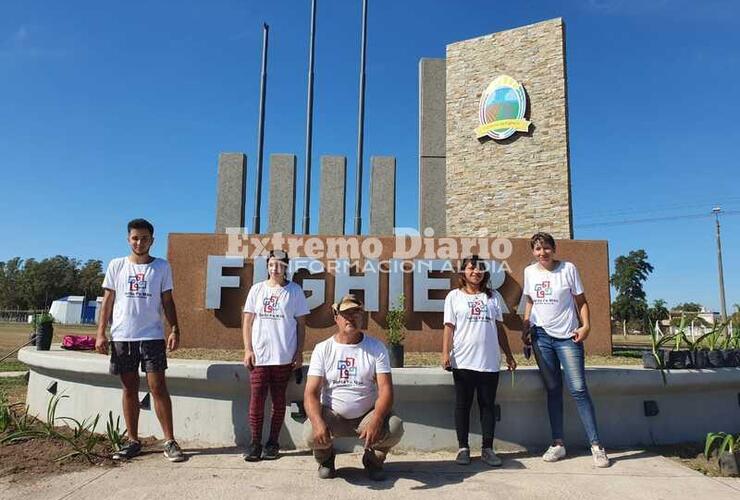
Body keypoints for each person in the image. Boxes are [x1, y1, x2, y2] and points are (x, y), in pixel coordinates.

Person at [95, 218, 185, 462]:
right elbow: (108, 301)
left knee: (158, 388)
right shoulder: (116, 265)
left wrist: (175, 329)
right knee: (129, 389)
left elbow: (168, 301)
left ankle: (170, 441)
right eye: (135, 238)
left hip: (152, 337)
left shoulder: (162, 267)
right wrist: (101, 332)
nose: (139, 242)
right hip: (123, 337)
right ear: (128, 239)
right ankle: (133, 440)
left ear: (151, 240)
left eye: (144, 238)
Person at [521, 232, 610, 468]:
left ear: (554, 248)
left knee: (579, 389)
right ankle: (558, 443)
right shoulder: (530, 272)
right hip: (541, 337)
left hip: (568, 337)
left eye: (546, 248)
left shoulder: (568, 269)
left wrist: (586, 326)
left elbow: (581, 301)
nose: (542, 253)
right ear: (533, 252)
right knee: (552, 389)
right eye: (538, 249)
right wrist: (525, 327)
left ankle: (597, 446)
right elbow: (530, 301)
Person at [303, 294, 404, 481]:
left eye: (356, 313)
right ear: (336, 318)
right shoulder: (323, 349)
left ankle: (373, 460)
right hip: (333, 416)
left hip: (366, 416)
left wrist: (377, 419)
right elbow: (311, 392)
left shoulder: (376, 348)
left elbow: (386, 389)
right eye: (346, 314)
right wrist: (318, 422)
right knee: (309, 433)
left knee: (395, 426)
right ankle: (325, 459)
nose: (351, 318)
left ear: (362, 317)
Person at [442, 255, 516, 466]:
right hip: (463, 360)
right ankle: (463, 448)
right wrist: (445, 353)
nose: (476, 271)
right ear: (463, 273)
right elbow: (449, 327)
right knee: (462, 405)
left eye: (480, 268)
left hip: (489, 361)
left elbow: (500, 328)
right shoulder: (454, 297)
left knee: (487, 406)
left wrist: (509, 355)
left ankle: (487, 448)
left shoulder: (492, 297)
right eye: (471, 268)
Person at [242, 250, 310, 461]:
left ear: (286, 267)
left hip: (284, 357)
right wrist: (248, 349)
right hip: (260, 357)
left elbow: (300, 325)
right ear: (267, 266)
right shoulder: (257, 290)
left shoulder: (294, 291)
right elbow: (247, 321)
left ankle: (272, 443)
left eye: (280, 265)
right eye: (272, 264)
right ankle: (255, 443)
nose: (275, 269)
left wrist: (299, 353)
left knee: (279, 402)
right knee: (257, 401)